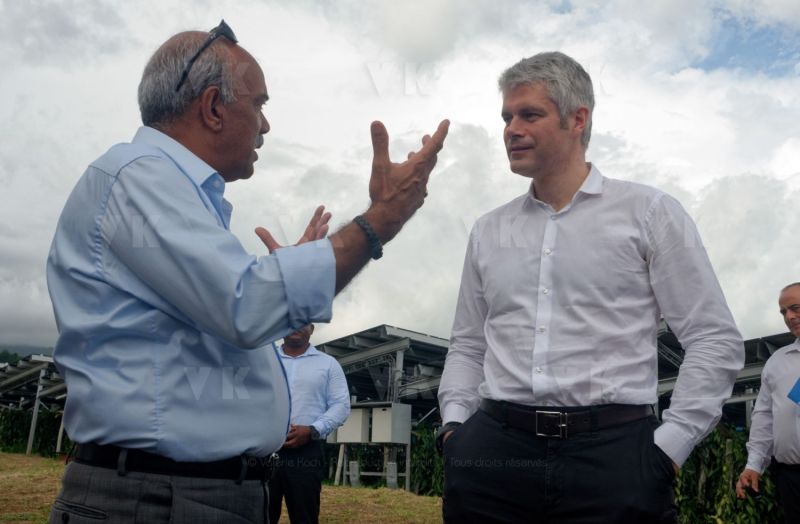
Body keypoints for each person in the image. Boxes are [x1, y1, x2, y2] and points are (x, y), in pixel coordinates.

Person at [46, 20, 448, 524]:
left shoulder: (159, 186)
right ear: (213, 107)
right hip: (159, 499)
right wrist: (381, 219)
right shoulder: (138, 176)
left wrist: (286, 274)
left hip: (177, 494)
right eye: (259, 104)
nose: (266, 125)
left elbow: (231, 308)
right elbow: (245, 305)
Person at [437, 51, 744, 523]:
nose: (511, 129)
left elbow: (712, 337)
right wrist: (455, 429)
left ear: (577, 119)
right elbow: (468, 343)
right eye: (506, 117)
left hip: (616, 460)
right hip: (491, 458)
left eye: (529, 114)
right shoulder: (489, 231)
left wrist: (668, 448)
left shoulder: (649, 213)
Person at [267, 324, 349, 524]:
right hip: (264, 451)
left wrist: (313, 430)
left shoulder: (328, 364)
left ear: (312, 328)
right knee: (260, 516)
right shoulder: (265, 361)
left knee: (305, 517)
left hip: (306, 452)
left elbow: (341, 405)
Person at [735, 283, 800, 523]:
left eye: (796, 308)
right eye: (784, 312)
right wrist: (753, 465)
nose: (789, 317)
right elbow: (764, 417)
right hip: (791, 478)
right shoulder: (777, 362)